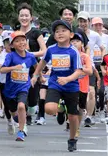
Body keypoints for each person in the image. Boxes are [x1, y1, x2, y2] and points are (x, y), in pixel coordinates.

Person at [32, 20, 91, 152]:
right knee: (49, 109)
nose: (60, 33)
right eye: (57, 31)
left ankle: (72, 139)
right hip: (55, 84)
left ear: (70, 35)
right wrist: (36, 75)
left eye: (63, 30)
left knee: (73, 117)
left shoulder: (74, 51)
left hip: (71, 86)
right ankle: (61, 109)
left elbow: (79, 71)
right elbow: (42, 62)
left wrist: (68, 79)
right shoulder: (51, 49)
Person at [0, 31, 38, 141]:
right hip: (10, 90)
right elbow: (2, 70)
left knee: (21, 106)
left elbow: (37, 67)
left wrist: (38, 76)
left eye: (23, 40)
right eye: (17, 41)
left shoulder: (30, 56)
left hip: (23, 87)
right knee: (13, 112)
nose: (21, 43)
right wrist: (13, 68)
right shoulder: (10, 56)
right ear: (12, 45)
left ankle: (21, 132)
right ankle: (20, 120)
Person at [17, 3, 47, 125]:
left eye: (26, 15)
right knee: (20, 96)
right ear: (18, 17)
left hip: (34, 69)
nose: (24, 18)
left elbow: (44, 51)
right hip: (19, 69)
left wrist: (30, 54)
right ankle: (22, 118)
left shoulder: (36, 33)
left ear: (31, 17)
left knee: (33, 99)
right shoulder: (16, 33)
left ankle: (30, 112)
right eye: (22, 15)